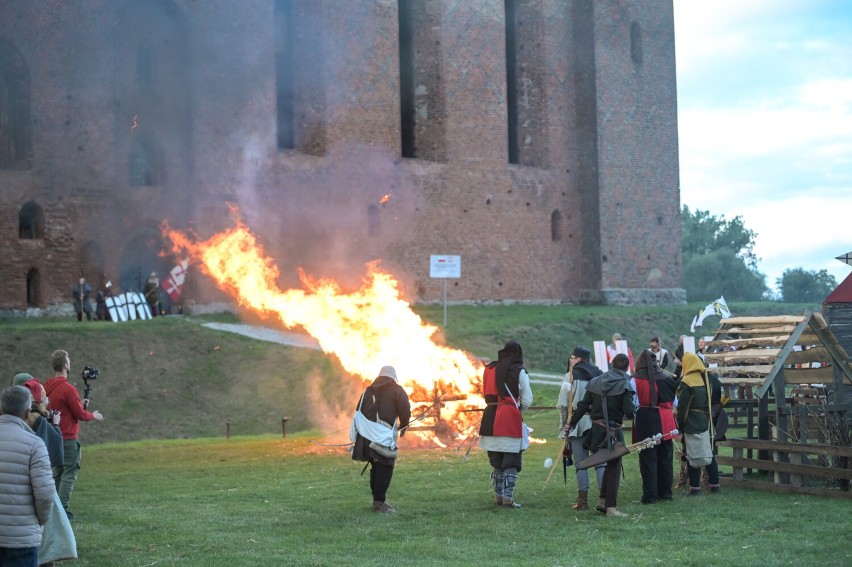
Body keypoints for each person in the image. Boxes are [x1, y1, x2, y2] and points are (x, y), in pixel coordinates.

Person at [567, 354, 635, 517]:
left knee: (609, 465)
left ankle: (603, 501)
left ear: (612, 364)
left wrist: (571, 424)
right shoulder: (625, 384)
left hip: (596, 431)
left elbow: (583, 406)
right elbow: (629, 412)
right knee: (613, 468)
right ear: (626, 368)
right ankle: (611, 508)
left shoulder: (596, 381)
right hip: (613, 432)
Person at [20, 379, 78, 565]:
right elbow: (55, 454)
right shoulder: (38, 422)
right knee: (46, 543)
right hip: (36, 488)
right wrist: (55, 424)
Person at [44, 350, 105, 519]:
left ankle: (53, 509)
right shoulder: (68, 388)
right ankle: (62, 510)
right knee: (69, 472)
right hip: (68, 438)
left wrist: (79, 402)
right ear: (65, 365)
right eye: (68, 361)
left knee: (57, 473)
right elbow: (80, 415)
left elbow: (63, 407)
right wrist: (94, 415)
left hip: (53, 437)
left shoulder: (47, 386)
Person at [0, 385, 55, 566]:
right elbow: (45, 494)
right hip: (20, 539)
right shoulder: (35, 444)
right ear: (27, 413)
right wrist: (39, 521)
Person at [478, 340, 533, 509]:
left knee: (497, 461)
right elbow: (527, 399)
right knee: (511, 460)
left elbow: (484, 392)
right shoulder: (519, 371)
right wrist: (517, 410)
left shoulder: (488, 369)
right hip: (509, 418)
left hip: (490, 417)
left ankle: (498, 496)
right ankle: (507, 499)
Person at [350, 366, 411, 513]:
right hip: (382, 436)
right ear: (393, 377)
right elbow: (405, 411)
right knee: (385, 467)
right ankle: (379, 503)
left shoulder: (367, 391)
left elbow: (359, 411)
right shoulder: (397, 390)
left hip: (365, 436)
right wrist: (404, 426)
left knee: (376, 467)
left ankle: (377, 500)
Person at [631, 348, 677, 504]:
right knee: (665, 458)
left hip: (646, 420)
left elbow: (633, 403)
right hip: (665, 418)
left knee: (648, 458)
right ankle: (665, 493)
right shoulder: (669, 379)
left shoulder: (634, 380)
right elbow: (675, 403)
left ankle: (650, 496)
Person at [561, 346, 604, 511]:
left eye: (572, 358)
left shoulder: (569, 376)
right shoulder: (600, 375)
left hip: (577, 423)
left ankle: (583, 502)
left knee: (581, 463)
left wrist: (565, 426)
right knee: (600, 462)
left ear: (578, 359)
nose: (570, 361)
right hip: (597, 423)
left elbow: (563, 405)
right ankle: (603, 499)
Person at [676, 353, 722, 496]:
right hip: (706, 420)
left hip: (692, 421)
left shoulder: (687, 381)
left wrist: (680, 424)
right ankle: (714, 485)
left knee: (692, 454)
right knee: (708, 453)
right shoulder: (707, 379)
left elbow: (683, 407)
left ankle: (694, 488)